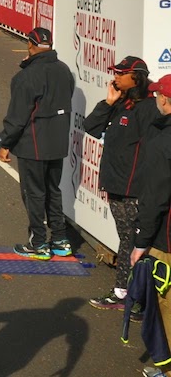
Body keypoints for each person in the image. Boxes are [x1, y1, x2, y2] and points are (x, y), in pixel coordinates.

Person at [84, 56, 159, 312]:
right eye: (115, 73)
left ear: (135, 77)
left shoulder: (150, 108)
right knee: (127, 239)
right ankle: (132, 295)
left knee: (132, 241)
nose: (115, 77)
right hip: (115, 185)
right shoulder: (119, 102)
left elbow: (155, 150)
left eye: (120, 74)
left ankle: (128, 295)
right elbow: (90, 127)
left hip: (134, 190)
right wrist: (108, 102)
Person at [0, 26, 75, 260]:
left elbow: (17, 115)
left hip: (33, 144)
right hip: (58, 142)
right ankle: (60, 240)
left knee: (34, 194)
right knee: (53, 191)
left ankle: (39, 243)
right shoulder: (64, 71)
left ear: (30, 45)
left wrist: (5, 143)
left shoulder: (26, 76)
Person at [129, 74, 171, 368]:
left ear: (167, 101)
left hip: (166, 241)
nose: (155, 98)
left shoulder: (162, 143)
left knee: (166, 307)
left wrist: (140, 242)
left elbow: (155, 198)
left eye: (158, 95)